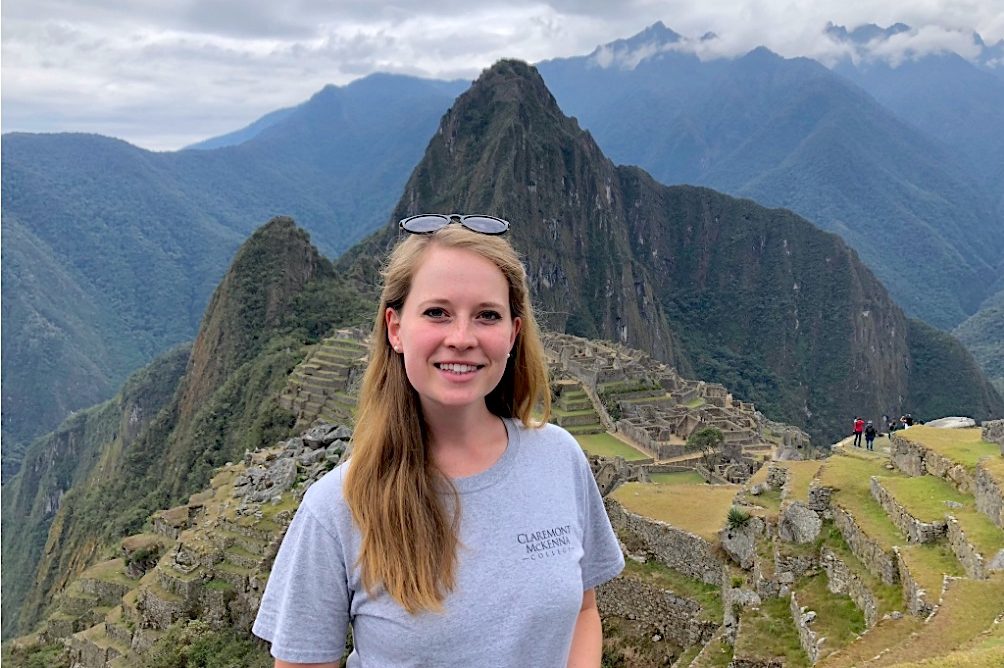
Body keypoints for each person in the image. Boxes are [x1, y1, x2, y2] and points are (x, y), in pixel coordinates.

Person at [252, 214, 625, 668]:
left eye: (487, 315)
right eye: (437, 313)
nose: (462, 338)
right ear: (395, 328)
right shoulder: (338, 508)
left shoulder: (559, 458)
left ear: (513, 332)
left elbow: (584, 611)